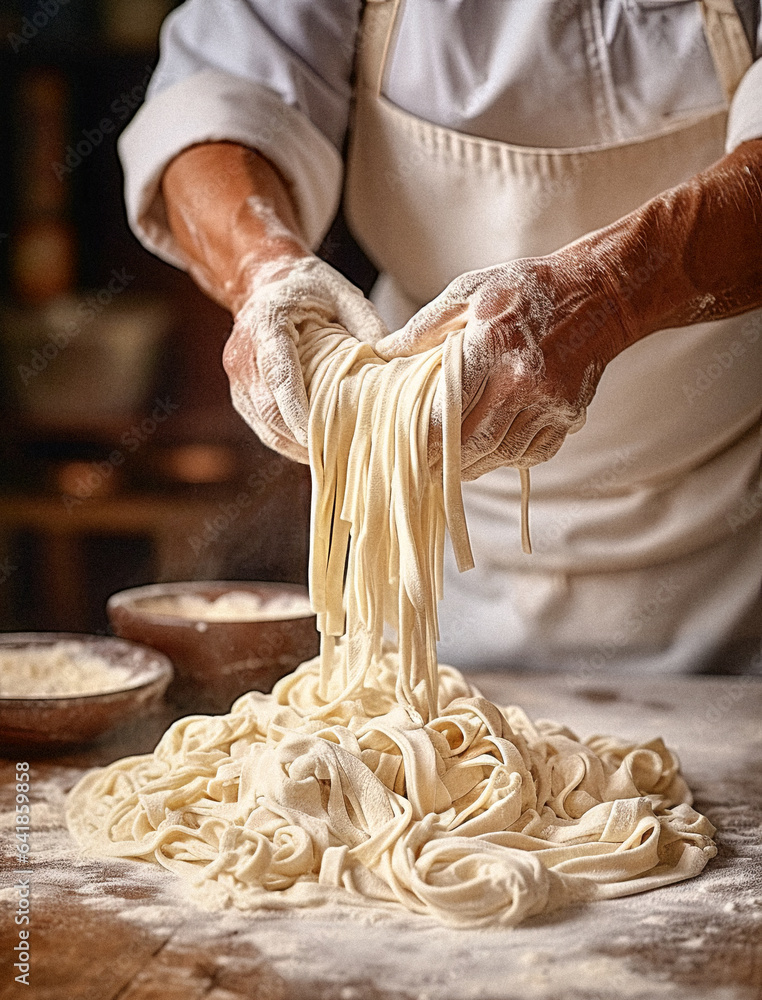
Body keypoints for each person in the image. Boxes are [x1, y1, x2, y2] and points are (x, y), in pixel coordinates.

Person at [119, 0, 762, 676]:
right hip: (431, 504)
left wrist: (610, 295)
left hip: (728, 520)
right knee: (424, 752)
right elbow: (216, 91)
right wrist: (261, 270)